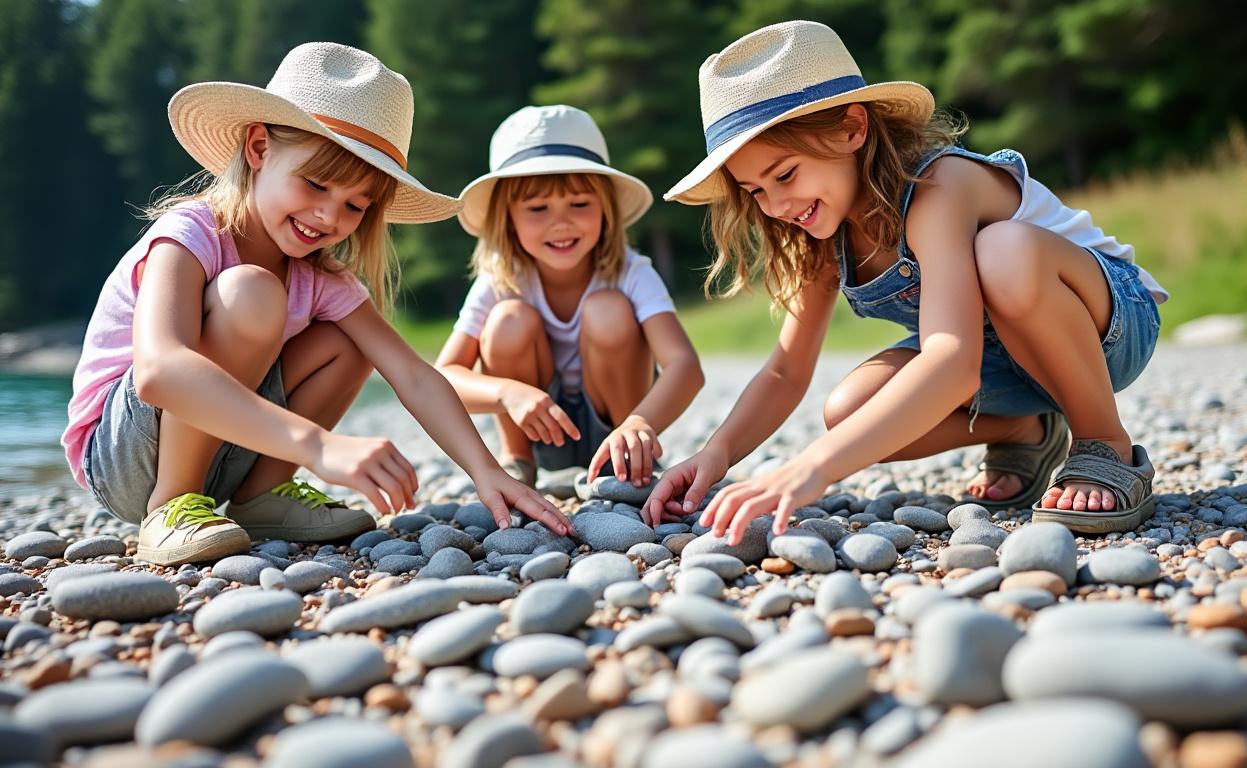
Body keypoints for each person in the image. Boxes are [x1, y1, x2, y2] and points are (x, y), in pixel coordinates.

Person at [643, 21, 1168, 542]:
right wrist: (717, 452)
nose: (777, 206)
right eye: (755, 190)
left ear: (852, 128)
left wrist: (813, 468)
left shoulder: (940, 185)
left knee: (1004, 251)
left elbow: (951, 360)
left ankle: (1104, 442)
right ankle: (1024, 429)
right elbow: (786, 372)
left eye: (785, 175)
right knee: (848, 412)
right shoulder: (820, 232)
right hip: (1002, 365)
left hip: (1107, 329)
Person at [62, 43, 572, 566]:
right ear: (258, 148)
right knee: (251, 292)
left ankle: (261, 497)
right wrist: (319, 447)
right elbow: (159, 371)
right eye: (315, 183)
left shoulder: (321, 276)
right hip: (125, 456)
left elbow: (414, 376)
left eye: (355, 204)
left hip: (229, 446)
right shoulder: (190, 233)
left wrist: (487, 472)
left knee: (350, 341)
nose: (328, 217)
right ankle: (170, 505)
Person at [435, 105, 703, 490]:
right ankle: (518, 463)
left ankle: (628, 463)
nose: (560, 222)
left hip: (622, 433)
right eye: (537, 208)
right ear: (507, 217)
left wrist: (641, 424)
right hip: (538, 433)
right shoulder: (502, 280)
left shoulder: (631, 272)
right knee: (509, 319)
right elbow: (442, 379)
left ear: (606, 209)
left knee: (607, 309)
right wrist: (507, 392)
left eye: (579, 204)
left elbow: (685, 366)